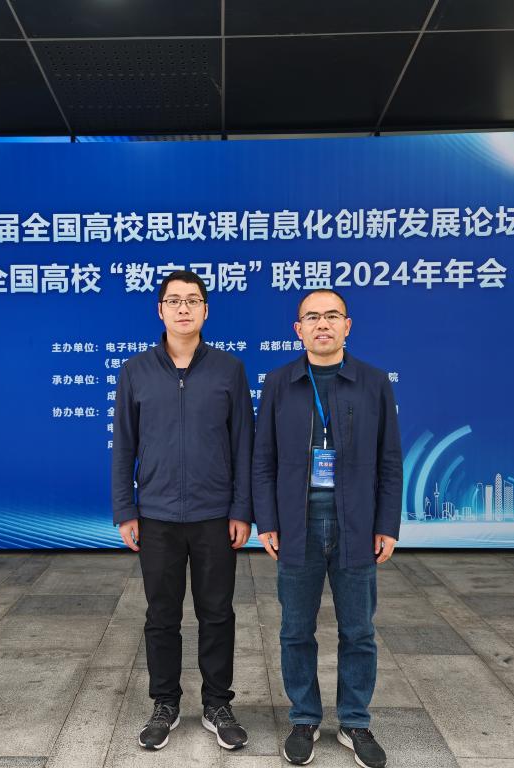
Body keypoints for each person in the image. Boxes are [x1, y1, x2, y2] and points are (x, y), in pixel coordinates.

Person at [252, 288, 403, 768]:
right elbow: (263, 459)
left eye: (332, 316)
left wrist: (387, 524)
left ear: (347, 325)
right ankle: (304, 718)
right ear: (298, 329)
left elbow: (390, 459)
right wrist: (267, 521)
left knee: (358, 631)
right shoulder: (279, 382)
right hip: (296, 524)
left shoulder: (373, 382)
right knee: (296, 629)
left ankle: (355, 721)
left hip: (356, 523)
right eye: (312, 317)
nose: (323, 324)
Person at [112, 270, 253, 751]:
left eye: (193, 300)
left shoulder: (229, 369)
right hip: (156, 516)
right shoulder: (135, 371)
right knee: (161, 614)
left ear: (206, 310)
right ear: (160, 310)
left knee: (217, 613)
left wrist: (241, 509)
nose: (183, 308)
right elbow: (123, 446)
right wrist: (126, 509)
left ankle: (217, 704)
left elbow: (244, 444)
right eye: (174, 301)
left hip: (215, 515)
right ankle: (165, 704)